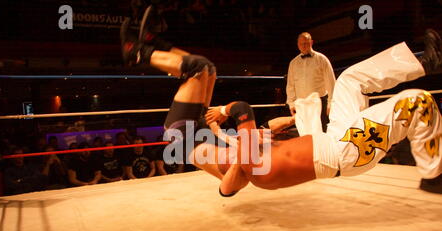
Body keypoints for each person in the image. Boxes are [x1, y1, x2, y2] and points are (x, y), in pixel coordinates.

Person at [123, 22, 442, 194]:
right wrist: (241, 113)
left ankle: (425, 61)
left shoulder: (244, 153)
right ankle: (434, 176)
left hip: (331, 138)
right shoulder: (250, 166)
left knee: (347, 79)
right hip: (344, 150)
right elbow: (229, 185)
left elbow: (257, 138)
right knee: (418, 101)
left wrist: (253, 118)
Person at [286, 32, 336, 132]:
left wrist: (331, 103)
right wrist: (291, 104)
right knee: (303, 132)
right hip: (301, 104)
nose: (304, 46)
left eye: (306, 43)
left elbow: (331, 82)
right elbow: (291, 85)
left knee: (321, 131)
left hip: (320, 102)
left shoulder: (322, 59)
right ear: (298, 45)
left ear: (311, 42)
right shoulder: (293, 63)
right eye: (301, 44)